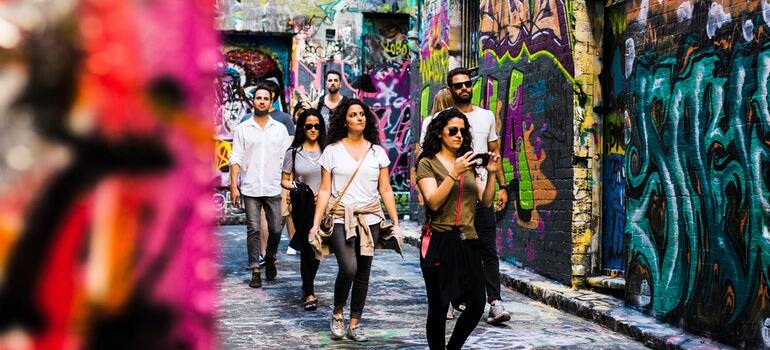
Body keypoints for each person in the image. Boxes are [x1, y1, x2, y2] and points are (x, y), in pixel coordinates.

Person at [419, 67, 511, 324]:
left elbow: (495, 153)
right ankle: (447, 298)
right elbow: (424, 158)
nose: (464, 89)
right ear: (450, 89)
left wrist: (499, 181)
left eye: (467, 84)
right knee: (448, 262)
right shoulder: (434, 123)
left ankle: (494, 302)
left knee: (487, 248)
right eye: (458, 85)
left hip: (474, 186)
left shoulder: (486, 117)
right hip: (446, 202)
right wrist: (432, 186)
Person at [309, 98, 401, 342]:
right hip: (341, 217)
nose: (359, 117)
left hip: (370, 218)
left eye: (362, 114)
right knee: (348, 267)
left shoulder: (377, 152)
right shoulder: (332, 151)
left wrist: (395, 221)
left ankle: (354, 323)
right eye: (353, 114)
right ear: (344, 120)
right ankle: (338, 311)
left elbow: (386, 189)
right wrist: (316, 224)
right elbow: (326, 190)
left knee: (363, 273)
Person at [416, 107, 500, 349]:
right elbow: (433, 201)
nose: (459, 135)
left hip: (468, 239)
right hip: (440, 240)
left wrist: (492, 174)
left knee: (477, 303)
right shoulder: (427, 163)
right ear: (439, 132)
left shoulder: (468, 163)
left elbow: (485, 201)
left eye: (463, 131)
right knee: (439, 306)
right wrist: (454, 173)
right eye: (453, 130)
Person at [230, 84, 291, 289]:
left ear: (271, 101)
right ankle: (255, 269)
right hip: (250, 187)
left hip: (274, 186)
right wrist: (233, 186)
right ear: (253, 101)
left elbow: (287, 159)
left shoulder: (280, 129)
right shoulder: (243, 128)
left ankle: (271, 256)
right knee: (253, 229)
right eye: (258, 98)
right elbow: (236, 157)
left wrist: (287, 185)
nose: (262, 101)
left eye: (266, 98)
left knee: (275, 229)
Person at [281, 108, 327, 311]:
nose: (313, 129)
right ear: (302, 127)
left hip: (325, 206)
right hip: (303, 206)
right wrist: (299, 187)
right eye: (308, 126)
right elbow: (284, 180)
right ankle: (309, 292)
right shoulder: (293, 152)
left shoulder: (328, 151)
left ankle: (307, 284)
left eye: (317, 126)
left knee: (318, 249)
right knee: (308, 248)